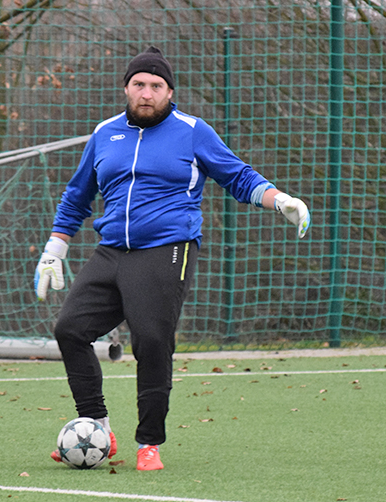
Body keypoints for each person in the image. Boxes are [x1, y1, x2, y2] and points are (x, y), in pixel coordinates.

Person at [34, 46, 310, 471]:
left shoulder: (192, 130)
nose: (147, 93)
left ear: (169, 92)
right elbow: (77, 194)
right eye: (139, 84)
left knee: (151, 340)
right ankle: (99, 430)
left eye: (156, 86)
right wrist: (55, 248)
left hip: (167, 249)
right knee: (69, 329)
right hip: (110, 251)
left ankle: (149, 444)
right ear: (126, 88)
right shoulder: (105, 133)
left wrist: (280, 200)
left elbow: (237, 176)